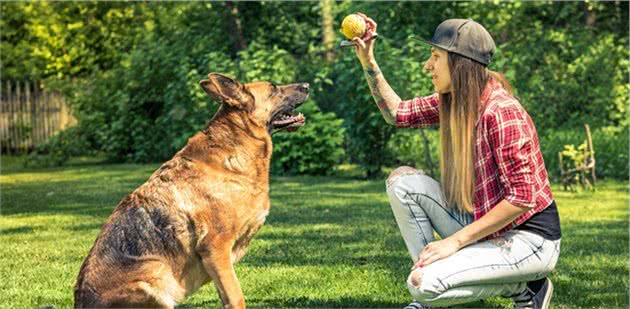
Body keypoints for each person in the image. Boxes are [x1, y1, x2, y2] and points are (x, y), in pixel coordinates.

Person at [352, 15, 562, 309]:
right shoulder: (455, 101)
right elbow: (397, 113)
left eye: (436, 57)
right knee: (402, 182)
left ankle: (527, 287)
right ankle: (427, 276)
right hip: (486, 225)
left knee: (423, 286)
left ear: (460, 63)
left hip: (529, 240)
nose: (428, 66)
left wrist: (454, 242)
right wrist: (368, 61)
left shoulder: (502, 113)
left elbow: (522, 198)